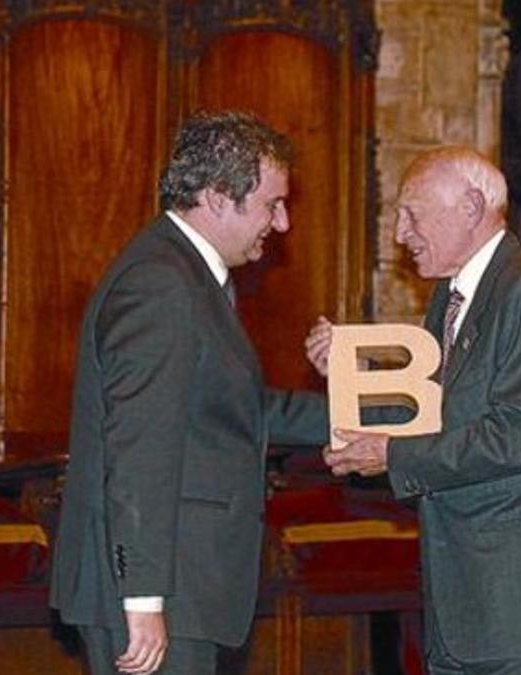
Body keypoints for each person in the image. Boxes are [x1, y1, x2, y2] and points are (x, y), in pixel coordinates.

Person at [306, 147, 521, 673]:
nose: (400, 234)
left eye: (412, 213)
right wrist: (344, 379)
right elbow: (431, 413)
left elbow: (518, 435)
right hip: (471, 603)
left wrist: (394, 456)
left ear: (471, 207)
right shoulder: (453, 297)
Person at [49, 110, 328, 675]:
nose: (281, 225)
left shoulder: (186, 276)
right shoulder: (162, 283)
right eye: (273, 204)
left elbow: (236, 412)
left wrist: (360, 410)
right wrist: (144, 600)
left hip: (182, 584)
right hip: (159, 589)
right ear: (219, 197)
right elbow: (140, 447)